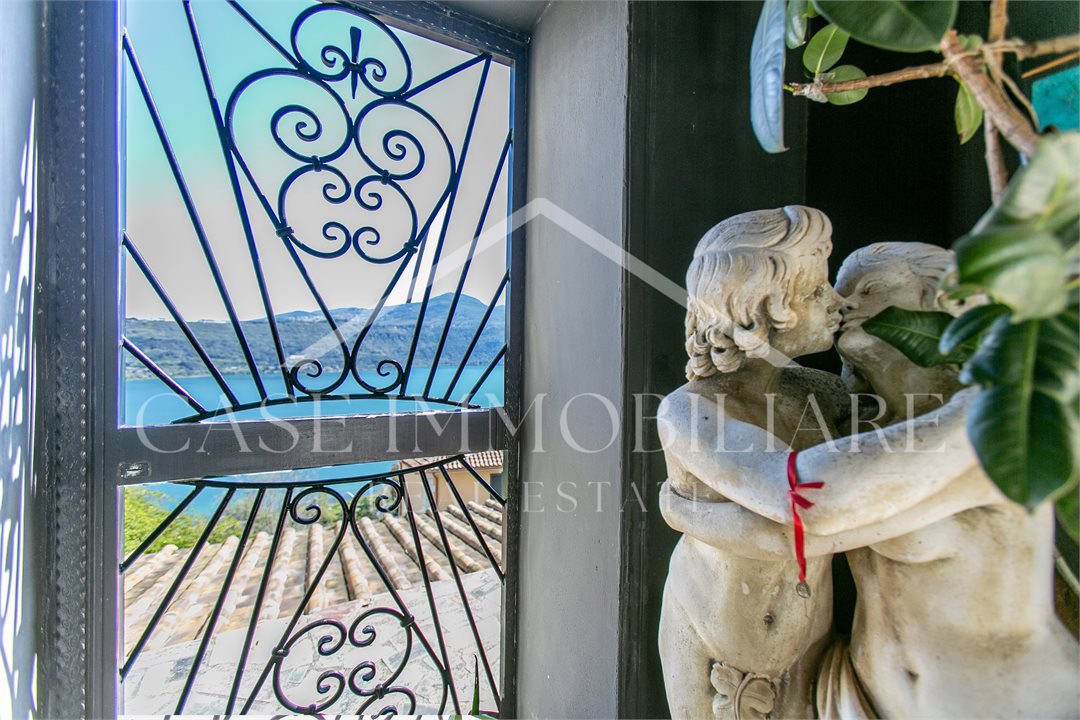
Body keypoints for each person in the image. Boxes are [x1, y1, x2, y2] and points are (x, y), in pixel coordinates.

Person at [660, 241, 1080, 718]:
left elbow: (811, 512)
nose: (843, 304)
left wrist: (685, 512)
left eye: (871, 290)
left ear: (947, 306)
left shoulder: (988, 425)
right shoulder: (861, 429)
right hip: (860, 699)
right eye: (837, 290)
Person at [658, 205, 848, 720]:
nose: (837, 301)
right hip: (714, 662)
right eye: (817, 291)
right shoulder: (690, 411)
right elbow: (796, 514)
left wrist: (684, 513)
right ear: (757, 311)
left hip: (810, 648)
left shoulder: (823, 394)